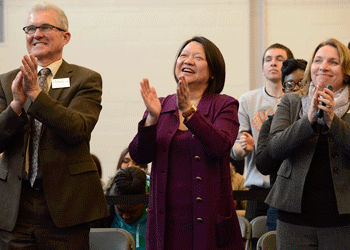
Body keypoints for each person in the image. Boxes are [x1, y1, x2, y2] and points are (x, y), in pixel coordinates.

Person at [0, 2, 109, 249]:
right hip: (15, 207)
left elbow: (77, 129)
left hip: (65, 208)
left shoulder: (85, 79)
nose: (36, 34)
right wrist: (17, 104)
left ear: (65, 36)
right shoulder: (7, 82)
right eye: (30, 28)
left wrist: (37, 95)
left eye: (45, 27)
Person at [129, 36, 244, 250]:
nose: (188, 60)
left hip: (208, 220)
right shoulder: (160, 104)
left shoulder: (224, 105)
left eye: (198, 57)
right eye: (183, 55)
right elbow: (139, 156)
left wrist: (189, 112)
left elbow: (220, 146)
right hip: (165, 221)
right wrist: (152, 119)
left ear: (213, 73)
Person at [265, 38, 350, 249]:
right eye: (318, 60)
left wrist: (332, 121)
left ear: (346, 70)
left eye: (333, 62)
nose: (323, 66)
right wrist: (308, 120)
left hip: (342, 220)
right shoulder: (291, 101)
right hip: (293, 219)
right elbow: (275, 149)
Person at [231, 43, 294, 222]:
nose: (273, 63)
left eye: (279, 59)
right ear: (262, 68)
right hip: (258, 190)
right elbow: (234, 149)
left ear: (288, 67)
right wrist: (243, 148)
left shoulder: (298, 99)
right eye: (268, 59)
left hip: (291, 187)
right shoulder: (247, 100)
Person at [256, 58, 307, 231]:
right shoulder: (270, 124)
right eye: (290, 85)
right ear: (283, 90)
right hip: (281, 204)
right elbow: (263, 165)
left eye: (302, 83)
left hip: (316, 203)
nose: (297, 90)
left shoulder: (321, 120)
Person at [108, 167, 148, 250]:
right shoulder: (107, 214)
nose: (125, 216)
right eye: (120, 210)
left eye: (132, 211)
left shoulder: (159, 209)